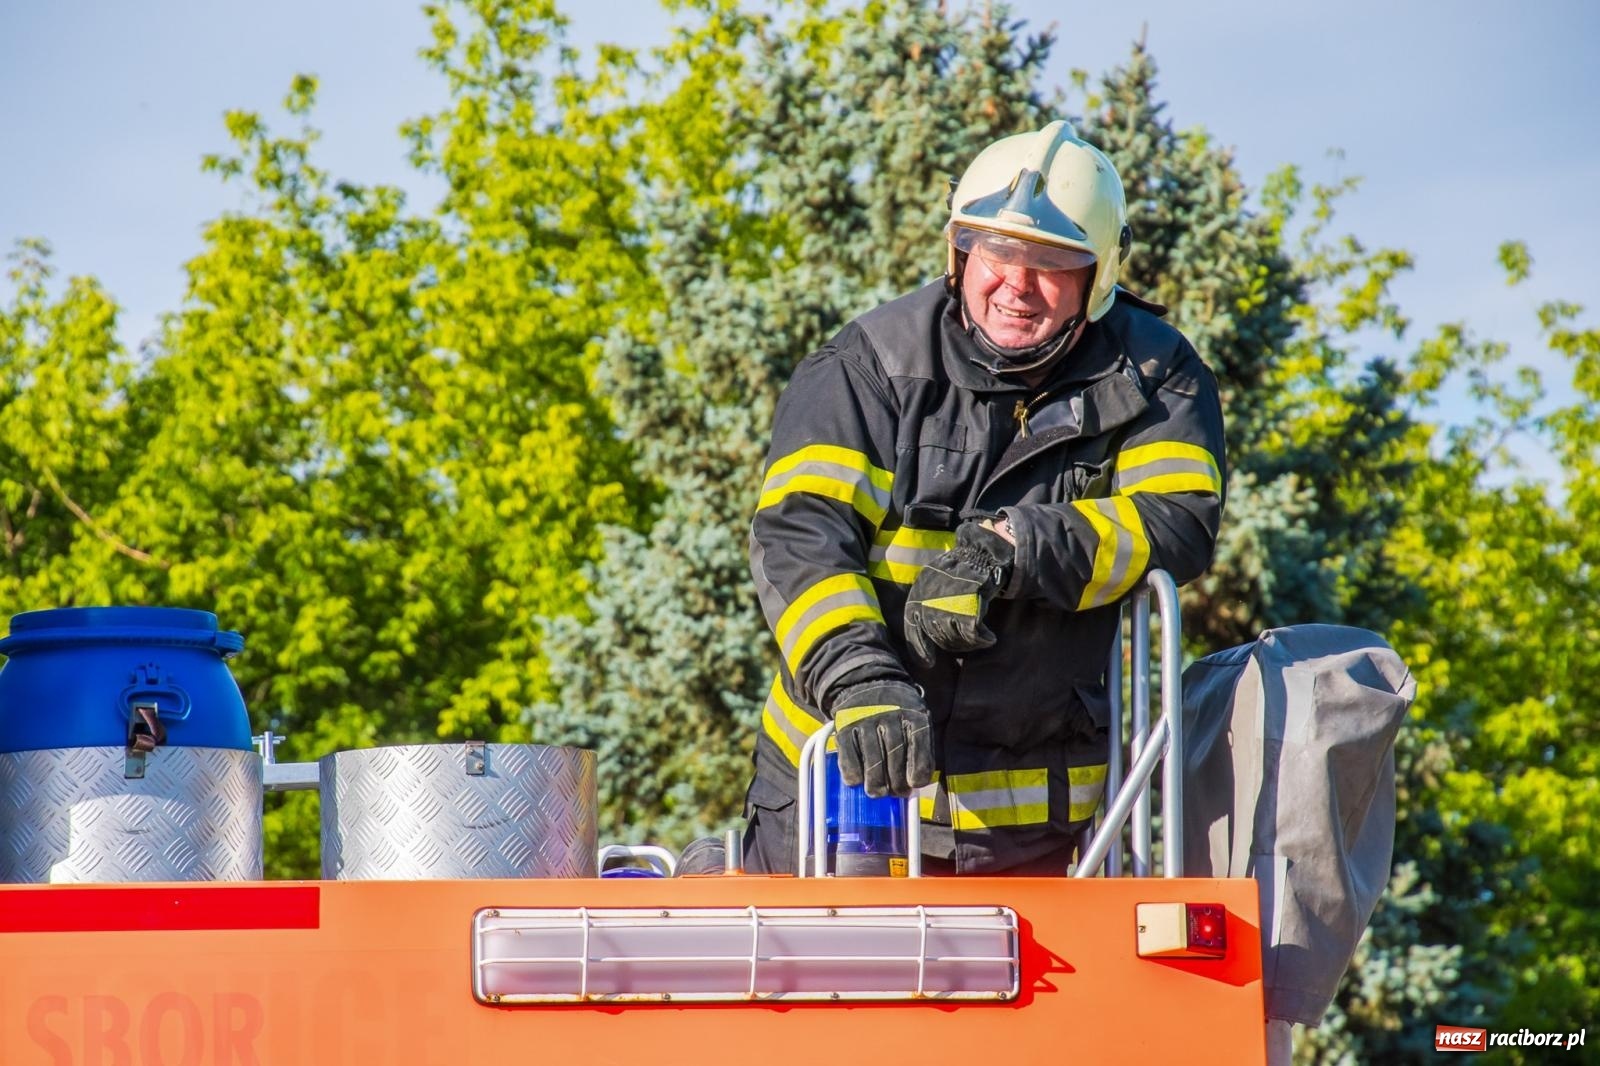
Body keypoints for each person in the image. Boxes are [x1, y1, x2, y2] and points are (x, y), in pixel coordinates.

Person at [743, 120, 1226, 875]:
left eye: (1052, 263)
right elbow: (802, 536)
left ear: (1097, 277)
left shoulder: (1156, 373)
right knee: (830, 993)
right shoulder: (868, 366)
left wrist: (1014, 548)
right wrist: (859, 677)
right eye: (997, 252)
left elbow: (1178, 521)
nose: (1016, 284)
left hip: (1040, 826)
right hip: (851, 798)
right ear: (961, 252)